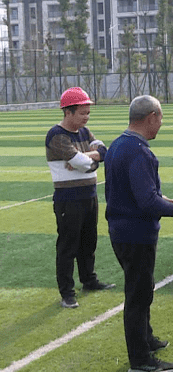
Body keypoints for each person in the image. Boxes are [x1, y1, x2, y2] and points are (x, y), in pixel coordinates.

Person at [104, 95, 173, 372]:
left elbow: (140, 193)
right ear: (151, 118)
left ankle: (146, 338)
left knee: (143, 289)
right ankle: (141, 360)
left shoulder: (120, 145)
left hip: (122, 230)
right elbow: (146, 202)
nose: (161, 124)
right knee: (138, 295)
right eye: (160, 119)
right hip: (135, 234)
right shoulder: (138, 152)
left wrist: (165, 200)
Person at [46, 87, 116, 309]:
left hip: (89, 195)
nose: (87, 117)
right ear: (68, 112)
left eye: (88, 113)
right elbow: (86, 163)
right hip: (68, 199)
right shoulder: (56, 135)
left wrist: (88, 158)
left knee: (89, 241)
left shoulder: (85, 132)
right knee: (68, 246)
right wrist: (92, 160)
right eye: (83, 113)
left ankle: (89, 280)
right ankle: (67, 292)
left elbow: (104, 152)